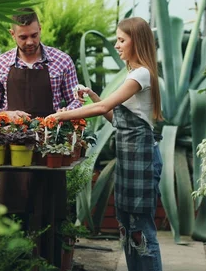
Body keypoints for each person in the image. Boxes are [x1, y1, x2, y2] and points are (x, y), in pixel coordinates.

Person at [48, 16, 164, 271]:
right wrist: (91, 96)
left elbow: (104, 107)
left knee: (141, 230)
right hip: (132, 160)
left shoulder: (141, 74)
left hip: (142, 161)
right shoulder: (134, 74)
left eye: (122, 40)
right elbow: (115, 118)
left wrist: (61, 115)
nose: (117, 45)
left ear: (138, 41)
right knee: (128, 226)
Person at [0, 7, 82, 215]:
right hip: (13, 152)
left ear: (40, 29)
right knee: (12, 214)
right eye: (23, 37)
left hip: (51, 150)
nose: (29, 42)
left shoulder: (62, 61)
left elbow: (77, 101)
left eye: (34, 35)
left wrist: (64, 113)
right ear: (12, 34)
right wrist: (6, 114)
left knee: (50, 212)